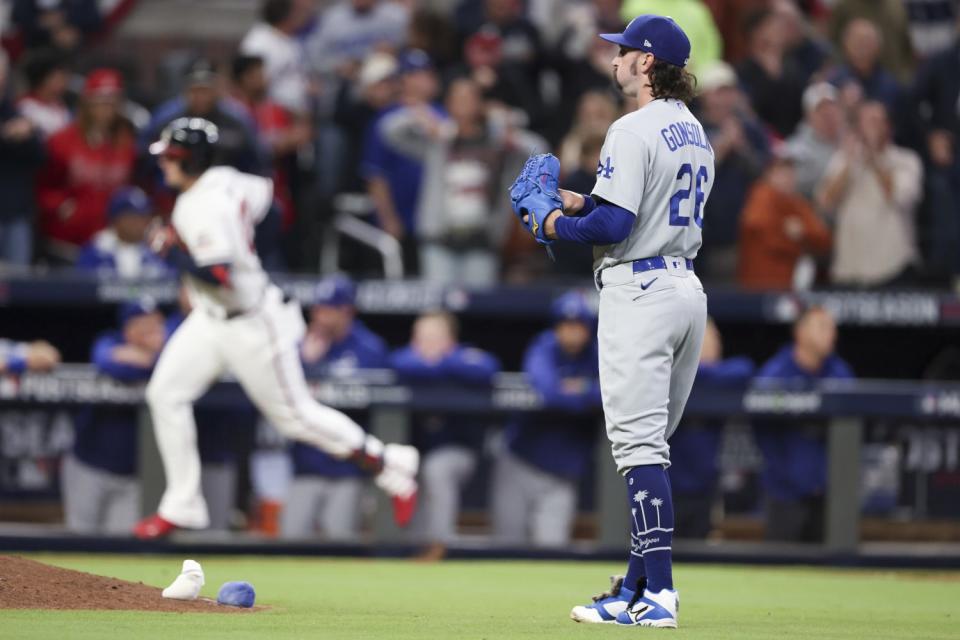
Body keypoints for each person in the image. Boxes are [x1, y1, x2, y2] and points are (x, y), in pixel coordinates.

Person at [132, 117, 418, 539]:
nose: (165, 165)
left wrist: (171, 252)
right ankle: (182, 504)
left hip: (251, 321)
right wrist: (253, 254)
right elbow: (273, 206)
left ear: (193, 159)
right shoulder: (228, 178)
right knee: (165, 394)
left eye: (172, 157)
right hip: (211, 318)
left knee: (295, 418)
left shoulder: (201, 206)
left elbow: (220, 275)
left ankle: (388, 460)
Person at [527, 15, 711, 628]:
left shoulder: (631, 127)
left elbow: (614, 228)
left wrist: (552, 225)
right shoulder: (694, 129)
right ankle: (634, 587)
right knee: (650, 450)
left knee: (637, 449)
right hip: (686, 287)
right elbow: (622, 205)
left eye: (626, 50)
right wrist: (578, 200)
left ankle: (658, 594)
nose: (616, 58)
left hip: (641, 289)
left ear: (648, 64)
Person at [381, 76, 544, 285]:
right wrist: (421, 114)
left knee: (478, 311)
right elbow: (390, 131)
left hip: (482, 241)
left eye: (469, 98)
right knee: (439, 306)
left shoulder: (497, 144)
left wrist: (509, 132)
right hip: (439, 239)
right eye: (457, 98)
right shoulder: (439, 142)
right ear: (448, 104)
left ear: (481, 104)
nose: (463, 104)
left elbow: (539, 150)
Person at [281, 275, 389, 540]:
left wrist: (318, 374)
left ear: (347, 311)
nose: (320, 316)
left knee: (340, 541)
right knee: (289, 539)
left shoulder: (369, 348)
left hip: (347, 469)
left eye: (329, 309)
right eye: (318, 308)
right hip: (306, 464)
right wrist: (306, 363)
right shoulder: (299, 346)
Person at [492, 291, 601, 547]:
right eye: (566, 325)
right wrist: (585, 393)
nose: (572, 331)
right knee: (506, 547)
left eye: (578, 325)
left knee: (552, 550)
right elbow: (548, 392)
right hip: (520, 462)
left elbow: (611, 393)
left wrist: (578, 390)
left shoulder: (598, 353)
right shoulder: (544, 346)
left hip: (561, 476)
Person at [390, 311, 500, 559]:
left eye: (433, 337)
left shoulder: (463, 357)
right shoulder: (410, 360)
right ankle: (407, 547)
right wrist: (435, 363)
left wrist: (440, 360)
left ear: (451, 339)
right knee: (402, 468)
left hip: (459, 451)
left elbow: (487, 368)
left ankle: (442, 545)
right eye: (421, 337)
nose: (426, 343)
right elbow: (398, 361)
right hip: (418, 450)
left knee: (436, 468)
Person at [61, 300, 165, 534]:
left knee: (120, 546)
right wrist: (150, 363)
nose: (154, 334)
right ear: (129, 330)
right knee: (78, 543)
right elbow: (107, 363)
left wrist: (149, 360)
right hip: (89, 465)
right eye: (145, 327)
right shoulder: (108, 341)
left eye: (156, 325)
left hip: (132, 475)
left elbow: (171, 364)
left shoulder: (169, 351)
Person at [753, 306, 854, 542]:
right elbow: (762, 432)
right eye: (823, 327)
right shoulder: (776, 374)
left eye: (832, 328)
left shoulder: (839, 373)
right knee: (779, 571)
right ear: (800, 332)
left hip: (828, 498)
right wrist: (786, 476)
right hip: (784, 496)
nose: (832, 334)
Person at [816, 101, 923, 287]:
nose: (868, 127)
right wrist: (849, 162)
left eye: (874, 121)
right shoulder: (843, 159)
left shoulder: (907, 160)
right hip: (850, 269)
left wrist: (874, 156)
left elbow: (897, 196)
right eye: (864, 122)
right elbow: (824, 203)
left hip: (893, 267)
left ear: (888, 126)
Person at [36, 68, 137, 259]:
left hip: (110, 244)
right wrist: (60, 206)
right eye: (101, 102)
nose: (107, 108)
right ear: (88, 103)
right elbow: (42, 184)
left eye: (113, 102)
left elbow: (132, 186)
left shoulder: (126, 143)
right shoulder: (62, 141)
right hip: (67, 242)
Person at [667, 318, 753, 538]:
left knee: (698, 558)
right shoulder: (670, 373)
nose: (716, 344)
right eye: (709, 338)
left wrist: (697, 370)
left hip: (704, 491)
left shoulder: (720, 377)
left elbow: (744, 368)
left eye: (717, 339)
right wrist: (688, 367)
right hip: (665, 489)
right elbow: (670, 373)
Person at [695, 61, 770, 282]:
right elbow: (688, 176)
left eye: (730, 91)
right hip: (702, 236)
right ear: (705, 95)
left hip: (745, 237)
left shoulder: (751, 129)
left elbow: (765, 174)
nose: (726, 98)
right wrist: (721, 148)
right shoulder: (692, 127)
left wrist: (742, 148)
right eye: (720, 92)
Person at [737, 149, 831, 290]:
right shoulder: (760, 197)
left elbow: (824, 238)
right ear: (769, 174)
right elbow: (769, 237)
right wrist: (799, 244)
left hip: (787, 288)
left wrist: (803, 232)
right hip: (757, 289)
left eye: (791, 173)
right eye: (782, 172)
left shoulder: (796, 203)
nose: (788, 178)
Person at [0, 49, 45, 267]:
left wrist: (28, 136)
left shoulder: (15, 113)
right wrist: (6, 135)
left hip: (15, 214)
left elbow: (39, 157)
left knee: (17, 284)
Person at [735, 8, 807, 138]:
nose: (779, 30)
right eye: (771, 25)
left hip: (794, 140)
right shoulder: (743, 70)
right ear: (755, 32)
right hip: (762, 141)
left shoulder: (792, 67)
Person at [75, 186, 171, 279]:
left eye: (144, 217)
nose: (141, 224)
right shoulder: (96, 251)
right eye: (134, 218)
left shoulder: (153, 251)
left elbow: (170, 281)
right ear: (116, 220)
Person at [239, 0, 313, 117]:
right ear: (286, 14)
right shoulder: (258, 41)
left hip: (295, 113)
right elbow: (252, 83)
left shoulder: (290, 39)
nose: (301, 15)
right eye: (296, 11)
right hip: (270, 114)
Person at [827, 18, 900, 118]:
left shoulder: (891, 86)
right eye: (858, 41)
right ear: (846, 45)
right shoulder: (833, 82)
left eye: (867, 41)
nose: (863, 47)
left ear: (878, 46)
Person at [785, 82, 844, 205]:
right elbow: (794, 185)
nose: (828, 113)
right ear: (808, 116)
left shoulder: (852, 137)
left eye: (832, 106)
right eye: (820, 109)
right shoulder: (795, 149)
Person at [15, 47, 70, 139]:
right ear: (42, 79)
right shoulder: (25, 107)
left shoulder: (61, 106)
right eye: (58, 78)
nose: (64, 83)